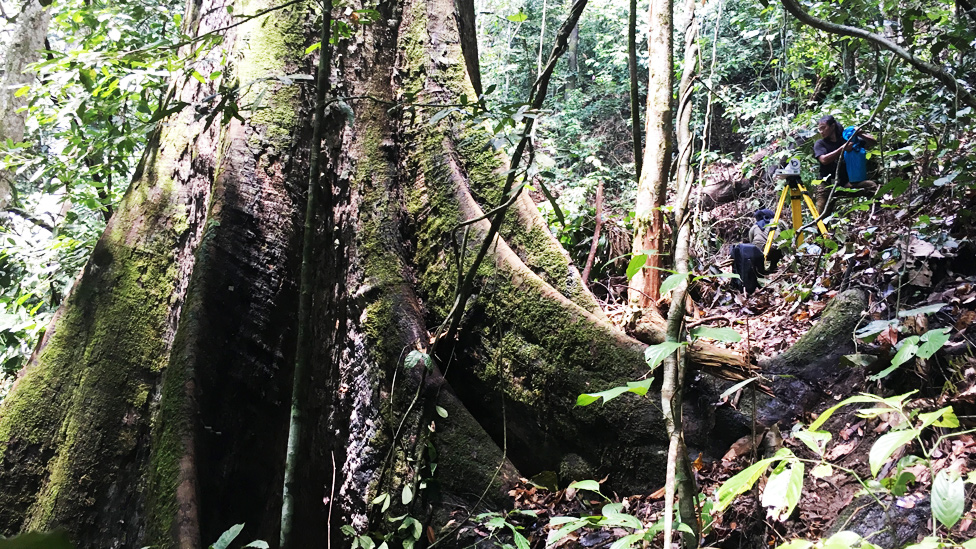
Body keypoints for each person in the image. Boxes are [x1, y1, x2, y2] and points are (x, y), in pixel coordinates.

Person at [813, 115, 878, 211]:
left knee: (871, 186)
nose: (821, 131)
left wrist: (860, 134)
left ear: (832, 126)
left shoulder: (846, 139)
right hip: (826, 185)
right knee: (821, 214)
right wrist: (842, 149)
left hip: (846, 184)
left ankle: (876, 214)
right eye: (819, 129)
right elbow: (824, 160)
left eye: (823, 128)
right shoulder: (820, 143)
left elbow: (873, 143)